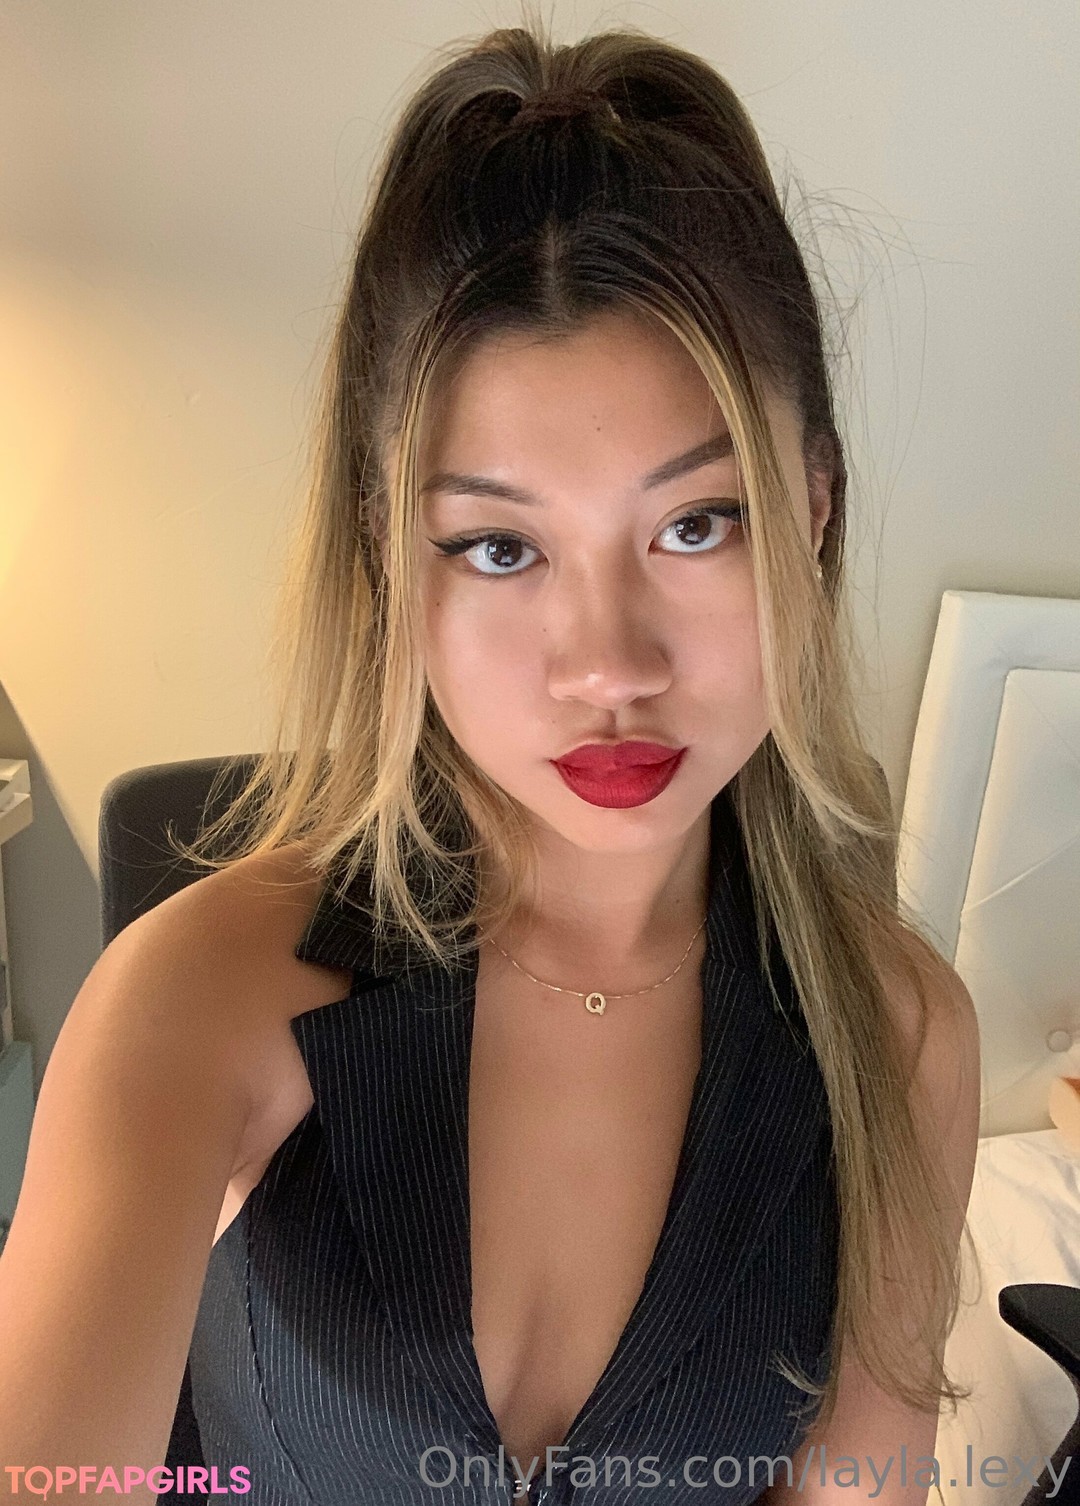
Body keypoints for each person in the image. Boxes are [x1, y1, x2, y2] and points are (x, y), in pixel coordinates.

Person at [0, 11, 982, 1506]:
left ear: (817, 507)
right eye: (500, 546)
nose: (609, 666)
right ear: (391, 556)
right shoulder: (195, 1001)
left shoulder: (899, 1040)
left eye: (697, 524)